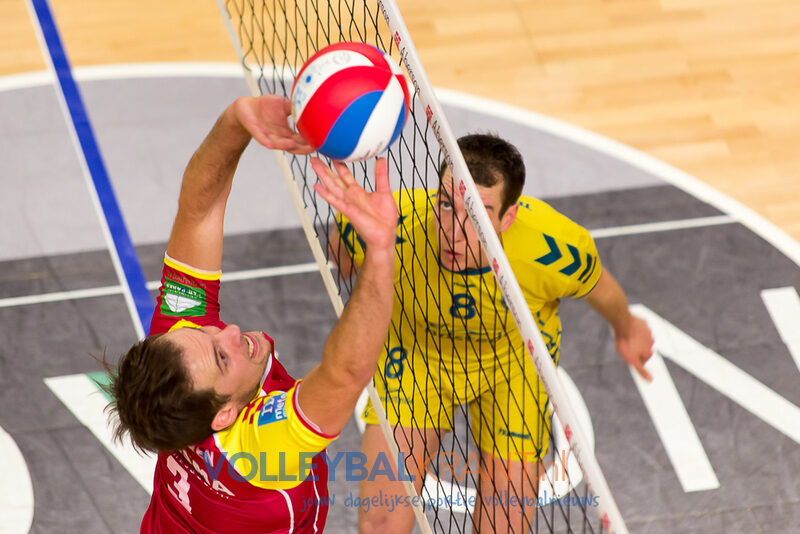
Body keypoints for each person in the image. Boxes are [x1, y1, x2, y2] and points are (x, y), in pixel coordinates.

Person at [331, 134, 655, 533]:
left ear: (508, 217)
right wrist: (347, 245)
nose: (454, 231)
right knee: (380, 525)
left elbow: (600, 288)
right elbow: (342, 249)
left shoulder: (553, 249)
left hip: (512, 367)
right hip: (416, 358)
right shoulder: (396, 223)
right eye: (446, 205)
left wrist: (627, 328)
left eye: (476, 214)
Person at [104, 94, 399, 533]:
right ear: (225, 416)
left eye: (207, 333)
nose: (229, 331)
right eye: (222, 357)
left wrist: (235, 121)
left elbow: (199, 211)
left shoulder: (183, 360)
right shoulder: (256, 449)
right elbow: (347, 372)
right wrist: (379, 249)